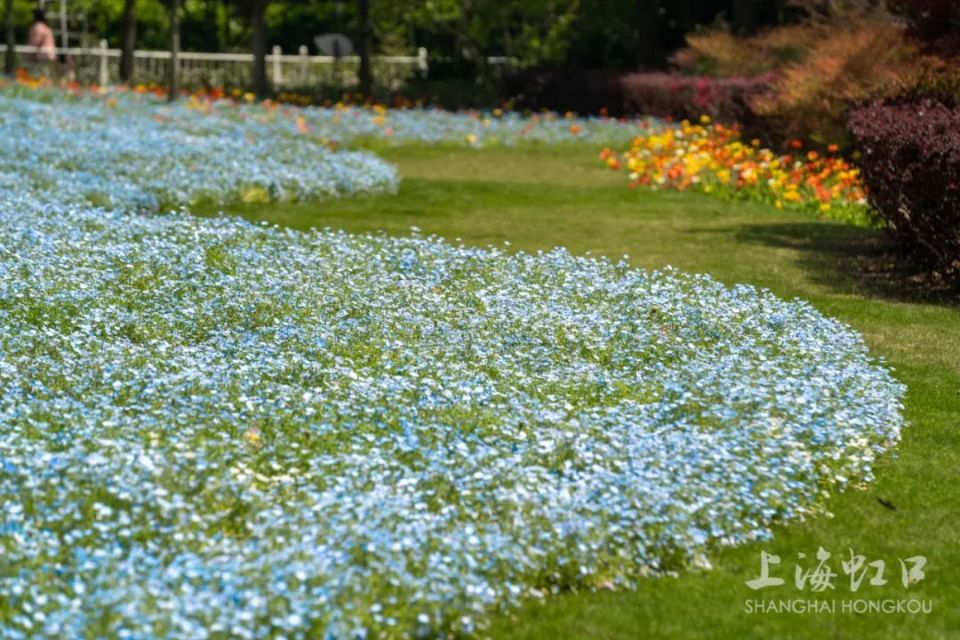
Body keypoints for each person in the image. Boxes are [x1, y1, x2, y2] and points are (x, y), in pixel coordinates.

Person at [28, 8, 58, 79]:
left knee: (41, 75)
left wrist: (30, 54)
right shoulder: (46, 26)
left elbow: (36, 41)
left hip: (43, 55)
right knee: (47, 74)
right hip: (51, 54)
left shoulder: (38, 26)